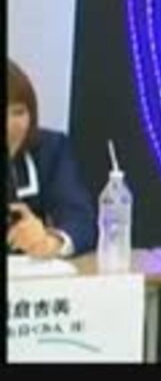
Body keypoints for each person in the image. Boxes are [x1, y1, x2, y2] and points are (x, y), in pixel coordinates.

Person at [7, 58, 96, 258]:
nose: (10, 127)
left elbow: (81, 220)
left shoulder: (49, 149)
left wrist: (51, 241)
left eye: (18, 112)